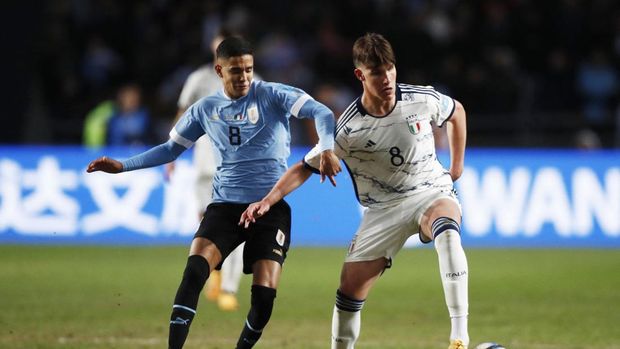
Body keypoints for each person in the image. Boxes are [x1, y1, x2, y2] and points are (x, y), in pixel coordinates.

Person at [86, 36, 341, 349]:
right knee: (194, 271)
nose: (244, 76)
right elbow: (169, 150)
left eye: (248, 69)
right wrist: (122, 166)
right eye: (236, 70)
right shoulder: (205, 109)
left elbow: (323, 113)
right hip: (224, 206)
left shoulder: (272, 94)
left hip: (269, 207)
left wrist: (326, 148)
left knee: (263, 298)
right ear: (220, 71)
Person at [240, 32, 469, 349]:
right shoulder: (347, 129)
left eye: (390, 69)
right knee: (349, 289)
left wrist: (455, 168)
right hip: (383, 210)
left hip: (431, 190)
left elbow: (457, 112)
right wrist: (267, 200)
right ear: (361, 75)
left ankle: (459, 336)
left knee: (447, 232)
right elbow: (302, 168)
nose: (387, 78)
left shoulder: (421, 98)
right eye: (377, 72)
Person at [172, 29, 256, 312]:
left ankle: (229, 288)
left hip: (237, 168)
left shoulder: (252, 81)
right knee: (206, 223)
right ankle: (214, 272)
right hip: (205, 162)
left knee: (240, 224)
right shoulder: (199, 80)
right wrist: (172, 153)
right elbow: (182, 114)